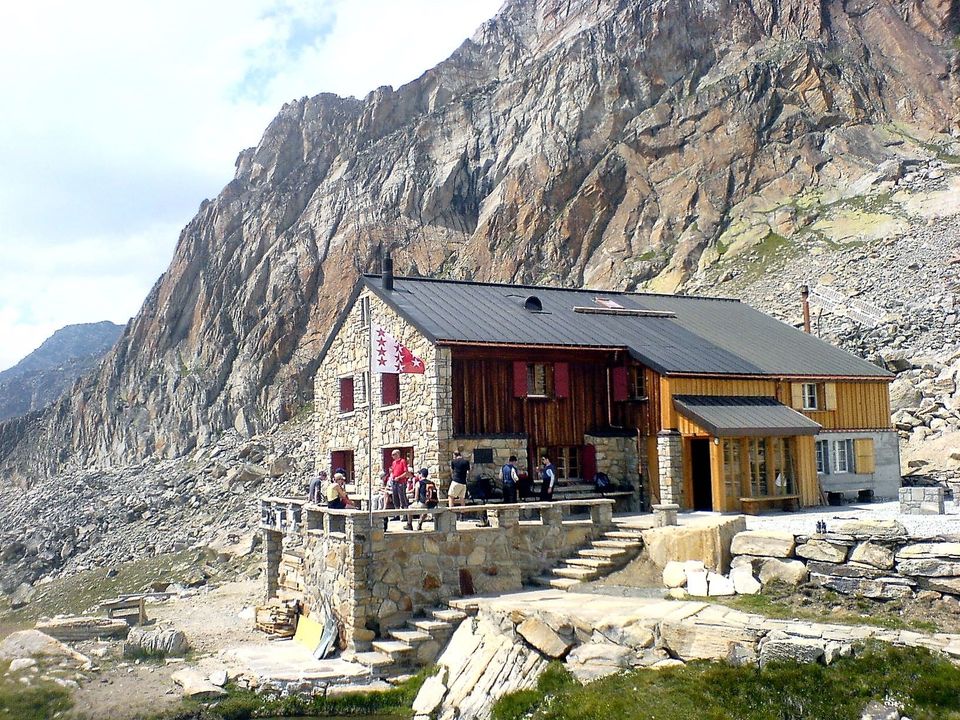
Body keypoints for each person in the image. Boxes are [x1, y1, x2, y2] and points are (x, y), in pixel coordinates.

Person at [389, 449, 413, 530]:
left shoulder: (402, 461)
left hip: (401, 482)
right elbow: (393, 471)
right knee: (395, 498)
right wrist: (392, 475)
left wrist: (398, 477)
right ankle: (397, 515)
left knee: (402, 498)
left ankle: (405, 515)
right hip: (394, 482)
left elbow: (405, 472)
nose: (392, 456)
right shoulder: (394, 463)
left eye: (393, 455)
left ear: (397, 454)